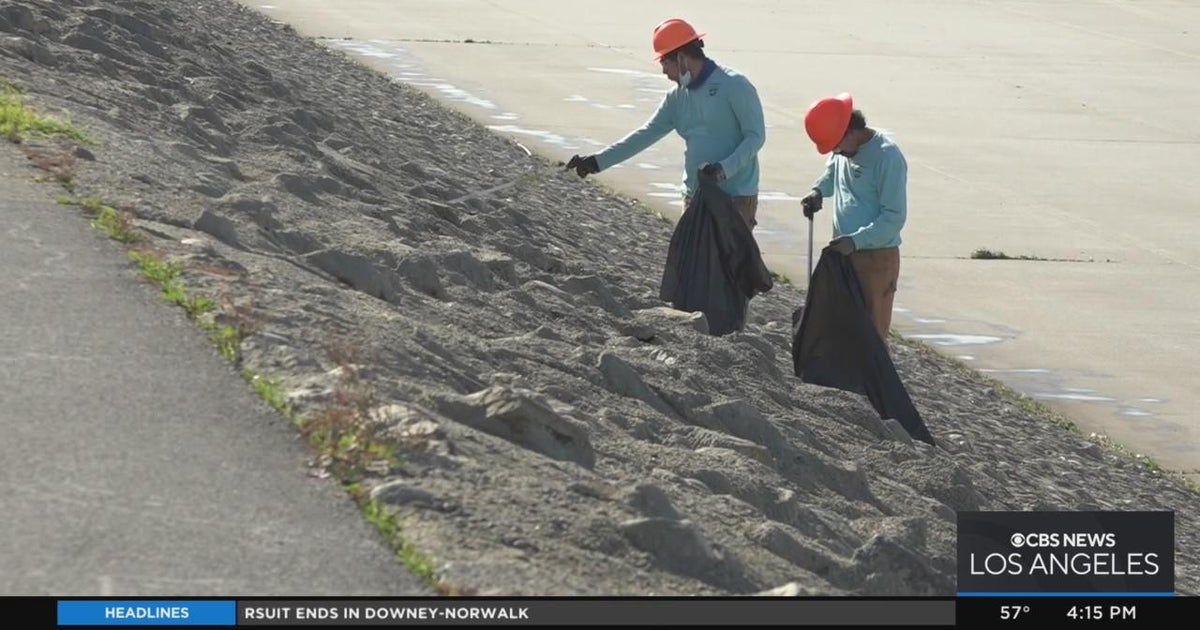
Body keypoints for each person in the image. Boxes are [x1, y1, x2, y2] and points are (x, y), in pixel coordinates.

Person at [565, 18, 766, 230]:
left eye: (664, 63)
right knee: (689, 262)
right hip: (694, 197)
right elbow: (645, 134)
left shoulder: (734, 85)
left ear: (681, 58)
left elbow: (755, 136)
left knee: (728, 263)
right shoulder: (677, 98)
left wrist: (723, 170)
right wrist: (597, 162)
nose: (664, 72)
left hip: (736, 199)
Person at [800, 93, 908, 342]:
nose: (835, 152)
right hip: (844, 254)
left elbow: (894, 218)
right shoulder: (841, 152)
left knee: (871, 333)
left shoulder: (887, 157)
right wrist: (818, 192)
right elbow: (831, 175)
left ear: (850, 131)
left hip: (875, 259)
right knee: (844, 330)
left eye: (837, 145)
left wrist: (856, 241)